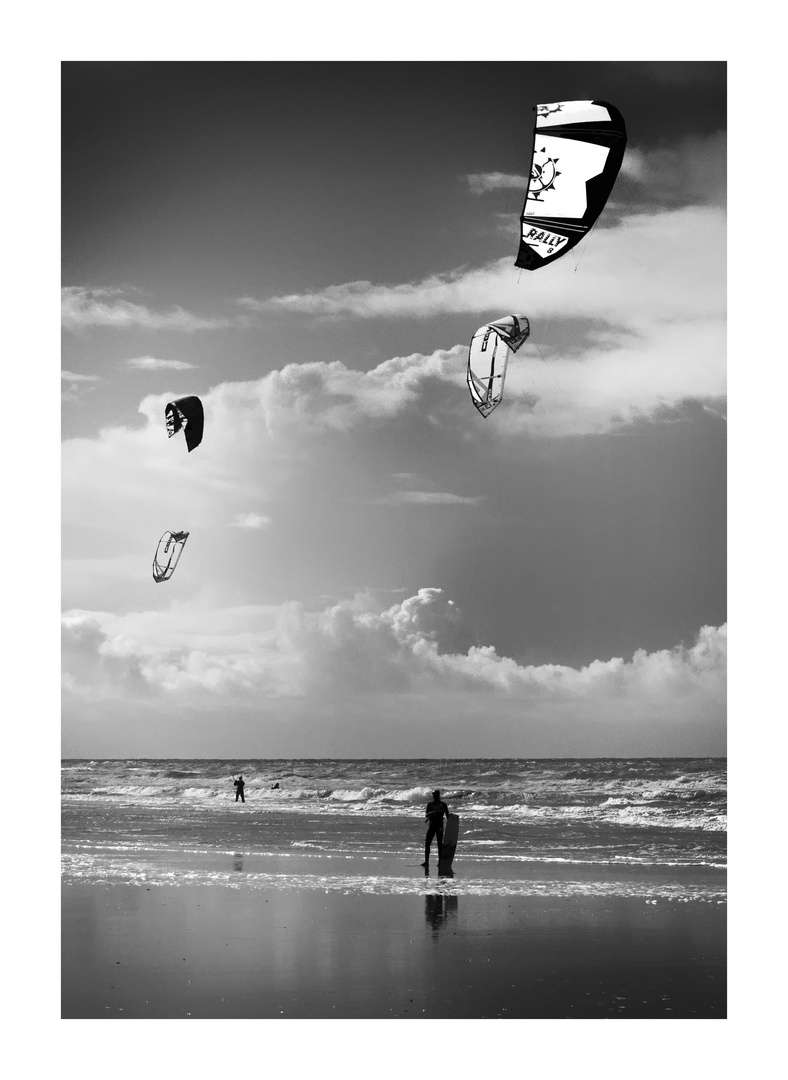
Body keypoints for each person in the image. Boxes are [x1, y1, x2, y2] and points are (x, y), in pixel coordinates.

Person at [422, 789, 449, 868]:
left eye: (436, 795)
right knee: (427, 843)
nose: (435, 797)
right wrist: (431, 813)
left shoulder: (443, 805)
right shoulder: (430, 804)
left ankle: (440, 861)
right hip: (432, 825)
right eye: (434, 795)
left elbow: (448, 816)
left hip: (439, 826)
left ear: (438, 796)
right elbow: (426, 815)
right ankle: (426, 861)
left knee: (439, 844)